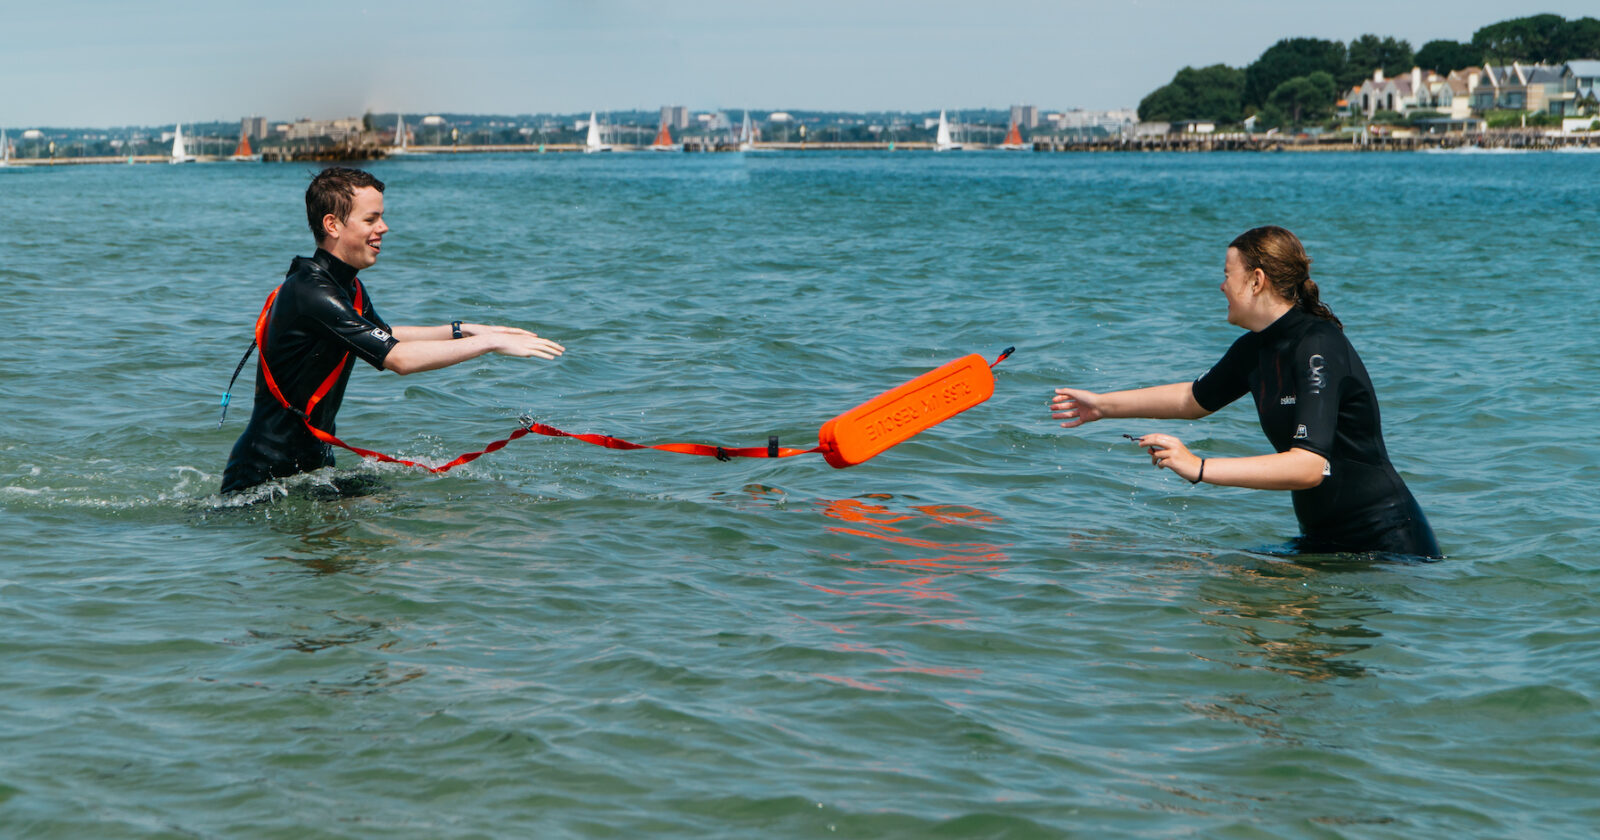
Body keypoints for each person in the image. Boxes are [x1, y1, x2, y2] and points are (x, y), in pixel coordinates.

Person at [1048, 226, 1440, 558]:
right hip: (1323, 542)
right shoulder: (1255, 349)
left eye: (1227, 274)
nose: (1221, 286)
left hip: (1387, 546)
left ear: (1256, 280)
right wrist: (1101, 405)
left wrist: (1199, 468)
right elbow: (1192, 399)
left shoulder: (1317, 346)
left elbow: (1308, 467)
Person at [221, 167, 565, 495]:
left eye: (381, 217)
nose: (383, 228)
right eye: (371, 219)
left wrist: (466, 330)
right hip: (261, 478)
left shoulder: (347, 288)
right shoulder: (311, 292)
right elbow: (398, 358)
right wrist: (490, 344)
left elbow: (384, 336)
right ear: (333, 225)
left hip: (313, 468)